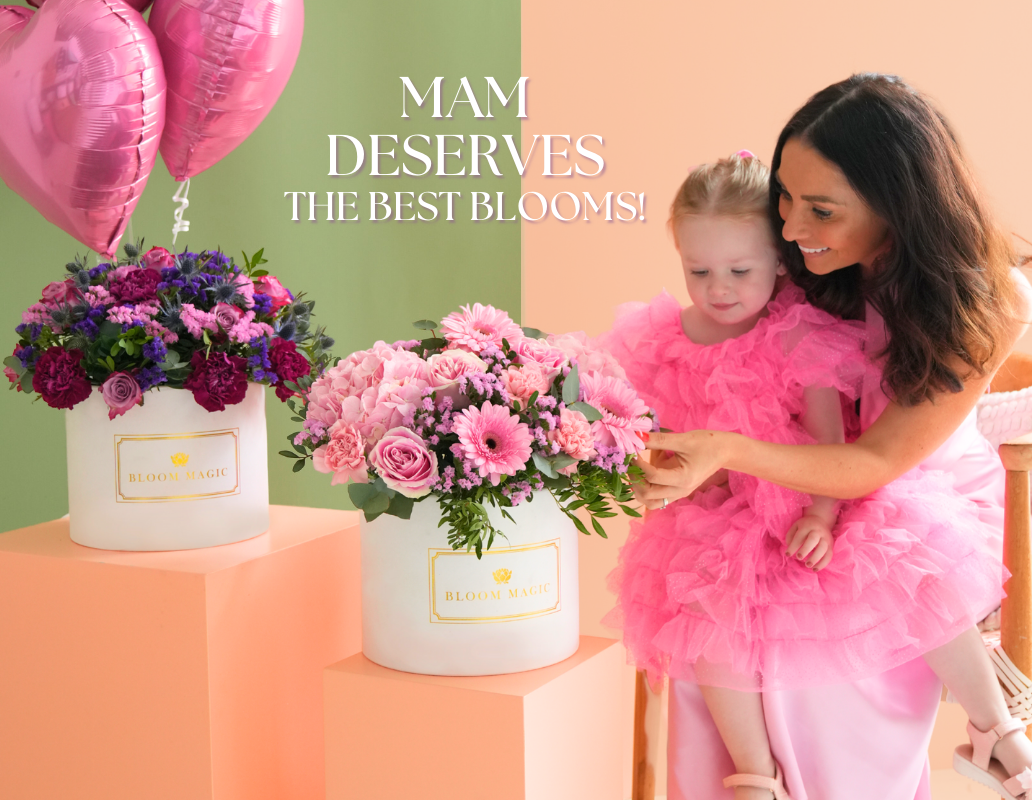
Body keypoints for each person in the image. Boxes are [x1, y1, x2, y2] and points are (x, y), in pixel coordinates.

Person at [630, 74, 1032, 800]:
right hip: (806, 481)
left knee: (812, 660)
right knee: (710, 606)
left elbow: (877, 462)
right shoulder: (811, 267)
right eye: (785, 197)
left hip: (908, 495)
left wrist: (727, 451)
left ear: (898, 206)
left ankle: (984, 732)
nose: (788, 228)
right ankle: (750, 774)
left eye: (820, 209)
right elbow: (744, 371)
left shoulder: (980, 300)